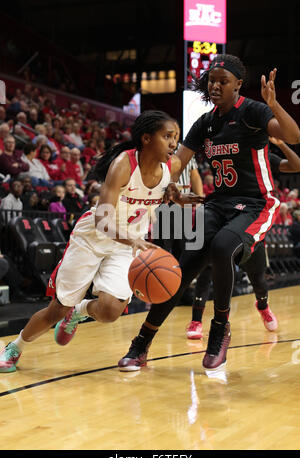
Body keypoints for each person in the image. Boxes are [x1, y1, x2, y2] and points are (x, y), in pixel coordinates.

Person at [118, 54, 300, 372]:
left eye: (223, 81)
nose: (215, 86)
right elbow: (177, 164)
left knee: (222, 247)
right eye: (211, 81)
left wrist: (274, 104)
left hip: (257, 203)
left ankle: (219, 329)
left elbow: (294, 136)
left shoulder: (253, 111)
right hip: (218, 203)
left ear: (238, 85)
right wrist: (152, 186)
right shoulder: (206, 122)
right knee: (181, 272)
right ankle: (141, 345)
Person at [0, 110, 202, 373]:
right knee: (58, 309)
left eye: (176, 138)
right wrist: (134, 240)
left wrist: (174, 196)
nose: (174, 144)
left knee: (109, 311)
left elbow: (165, 184)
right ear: (146, 139)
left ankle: (81, 310)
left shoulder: (172, 166)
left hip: (126, 245)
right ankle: (14, 347)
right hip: (93, 237)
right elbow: (103, 221)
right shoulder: (123, 165)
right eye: (167, 137)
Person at [186, 139, 300, 339]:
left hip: (249, 222)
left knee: (258, 279)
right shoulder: (224, 153)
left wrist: (282, 144)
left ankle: (262, 305)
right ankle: (196, 320)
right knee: (206, 267)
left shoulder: (262, 157)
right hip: (223, 215)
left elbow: (295, 164)